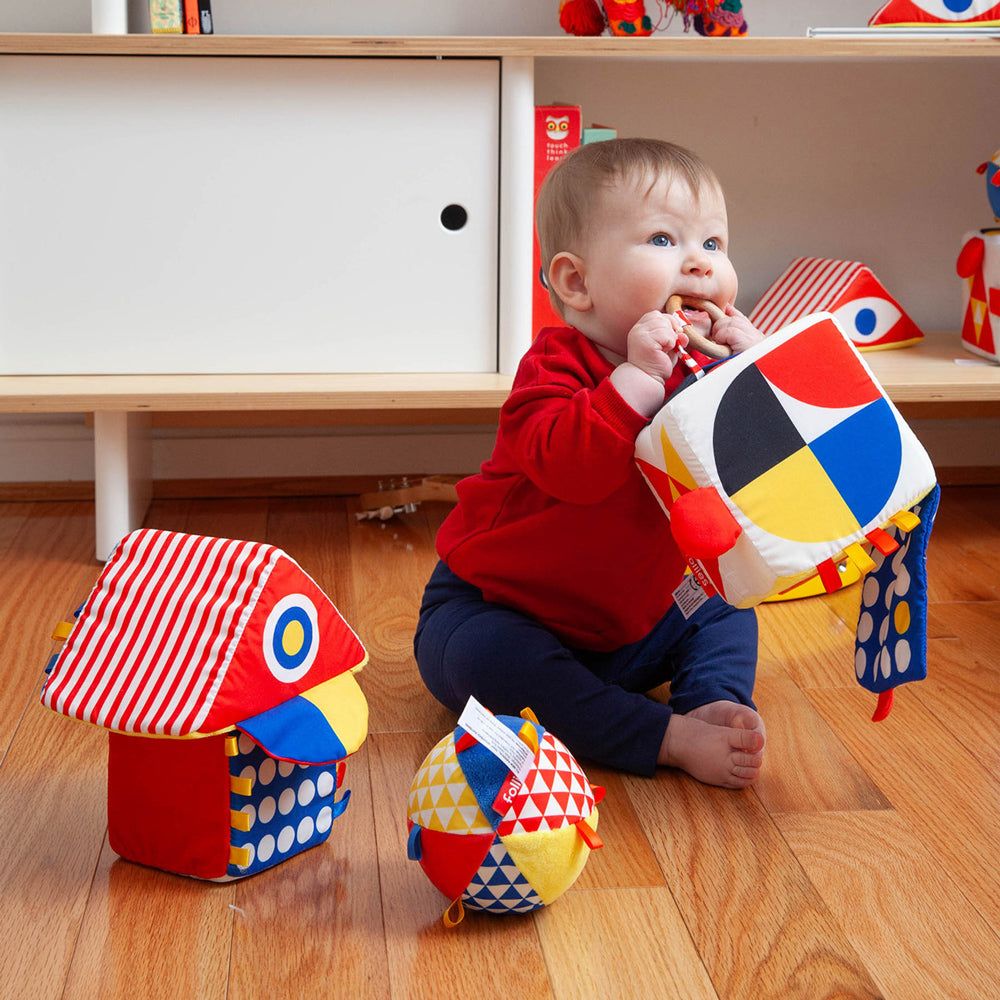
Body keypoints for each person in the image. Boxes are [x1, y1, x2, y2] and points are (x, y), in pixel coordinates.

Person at [414, 138, 767, 787]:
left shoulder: (705, 377)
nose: (699, 264)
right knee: (482, 663)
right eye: (664, 239)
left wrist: (755, 372)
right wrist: (636, 377)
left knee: (724, 600)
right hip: (503, 608)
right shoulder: (552, 368)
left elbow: (761, 472)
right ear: (577, 282)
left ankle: (711, 697)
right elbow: (573, 470)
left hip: (635, 620)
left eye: (714, 245)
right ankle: (659, 735)